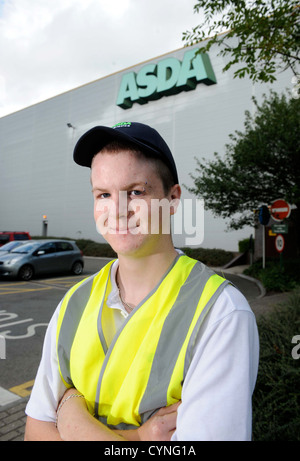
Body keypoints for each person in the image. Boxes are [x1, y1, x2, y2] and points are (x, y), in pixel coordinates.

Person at [24, 122, 259, 441]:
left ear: (173, 199)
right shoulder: (73, 303)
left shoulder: (220, 313)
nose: (118, 211)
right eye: (103, 194)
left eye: (135, 191)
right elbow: (35, 431)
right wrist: (137, 436)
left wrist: (70, 412)